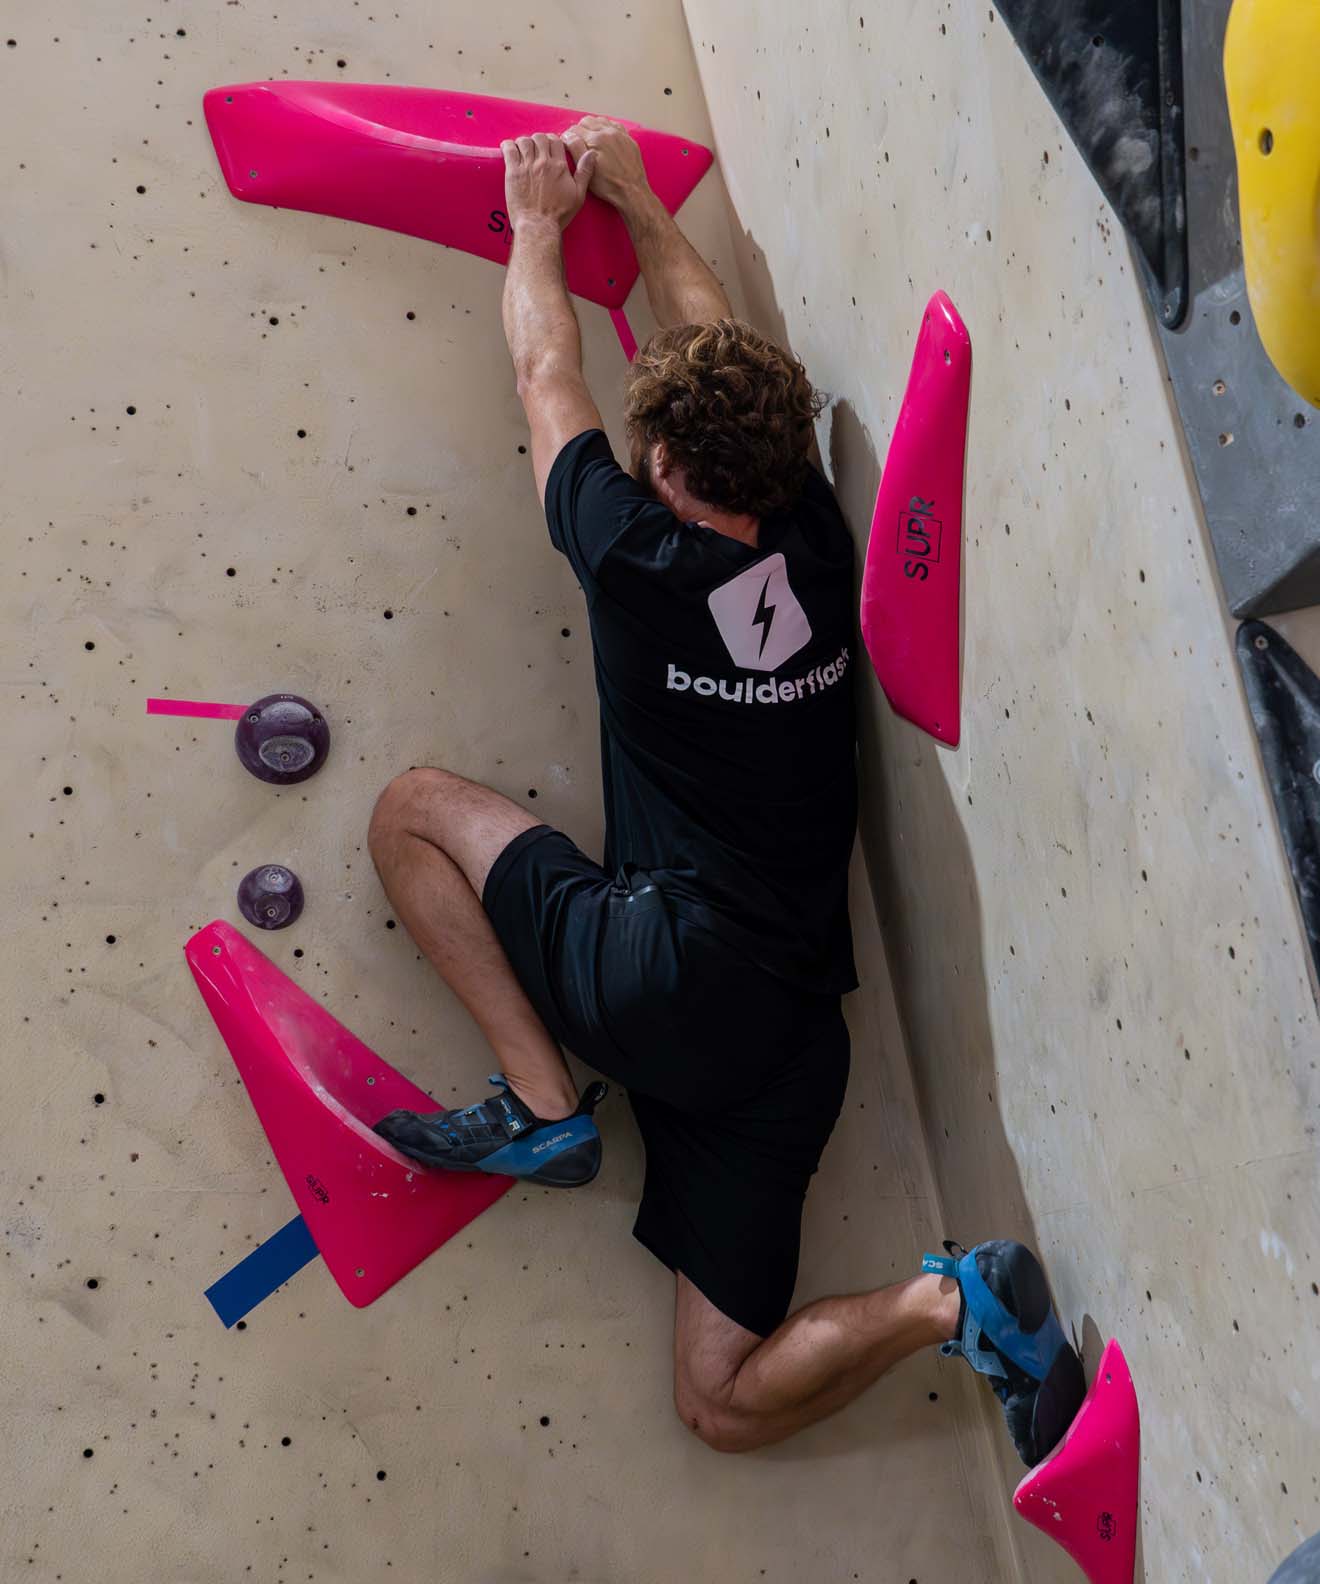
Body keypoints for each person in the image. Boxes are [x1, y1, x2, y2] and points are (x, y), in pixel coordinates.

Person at [367, 119, 1084, 1460]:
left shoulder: (638, 560)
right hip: (783, 1043)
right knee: (721, 1399)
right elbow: (724, 355)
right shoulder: (815, 533)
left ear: (676, 478)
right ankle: (955, 1300)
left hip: (671, 978)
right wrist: (639, 202)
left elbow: (545, 370)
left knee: (410, 809)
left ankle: (540, 1108)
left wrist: (532, 222)